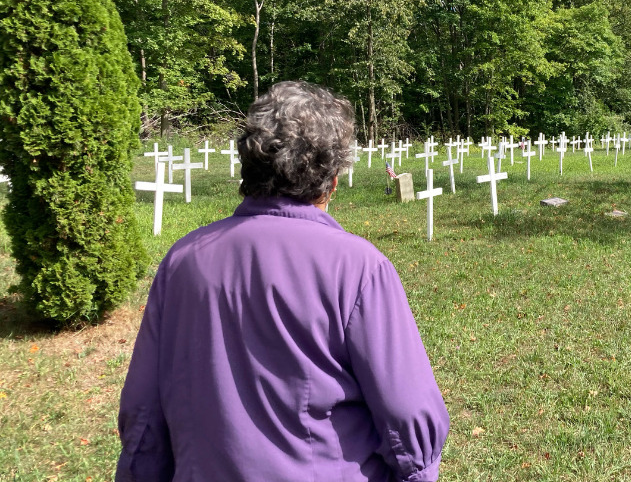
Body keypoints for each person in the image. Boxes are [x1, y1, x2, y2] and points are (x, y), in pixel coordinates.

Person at [116, 81, 449, 481]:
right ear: (332, 179)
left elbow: (143, 411)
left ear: (250, 165)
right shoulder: (358, 268)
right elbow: (409, 415)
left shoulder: (183, 259)